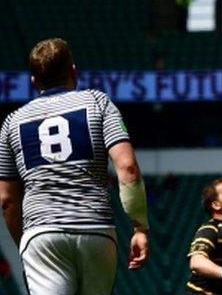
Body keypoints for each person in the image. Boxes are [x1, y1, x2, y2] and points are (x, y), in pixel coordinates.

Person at [0, 38, 149, 294]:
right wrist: (140, 227)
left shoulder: (12, 123)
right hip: (96, 230)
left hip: (41, 231)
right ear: (73, 71)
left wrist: (26, 241)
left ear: (34, 81)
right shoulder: (98, 103)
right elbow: (128, 169)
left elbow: (7, 201)